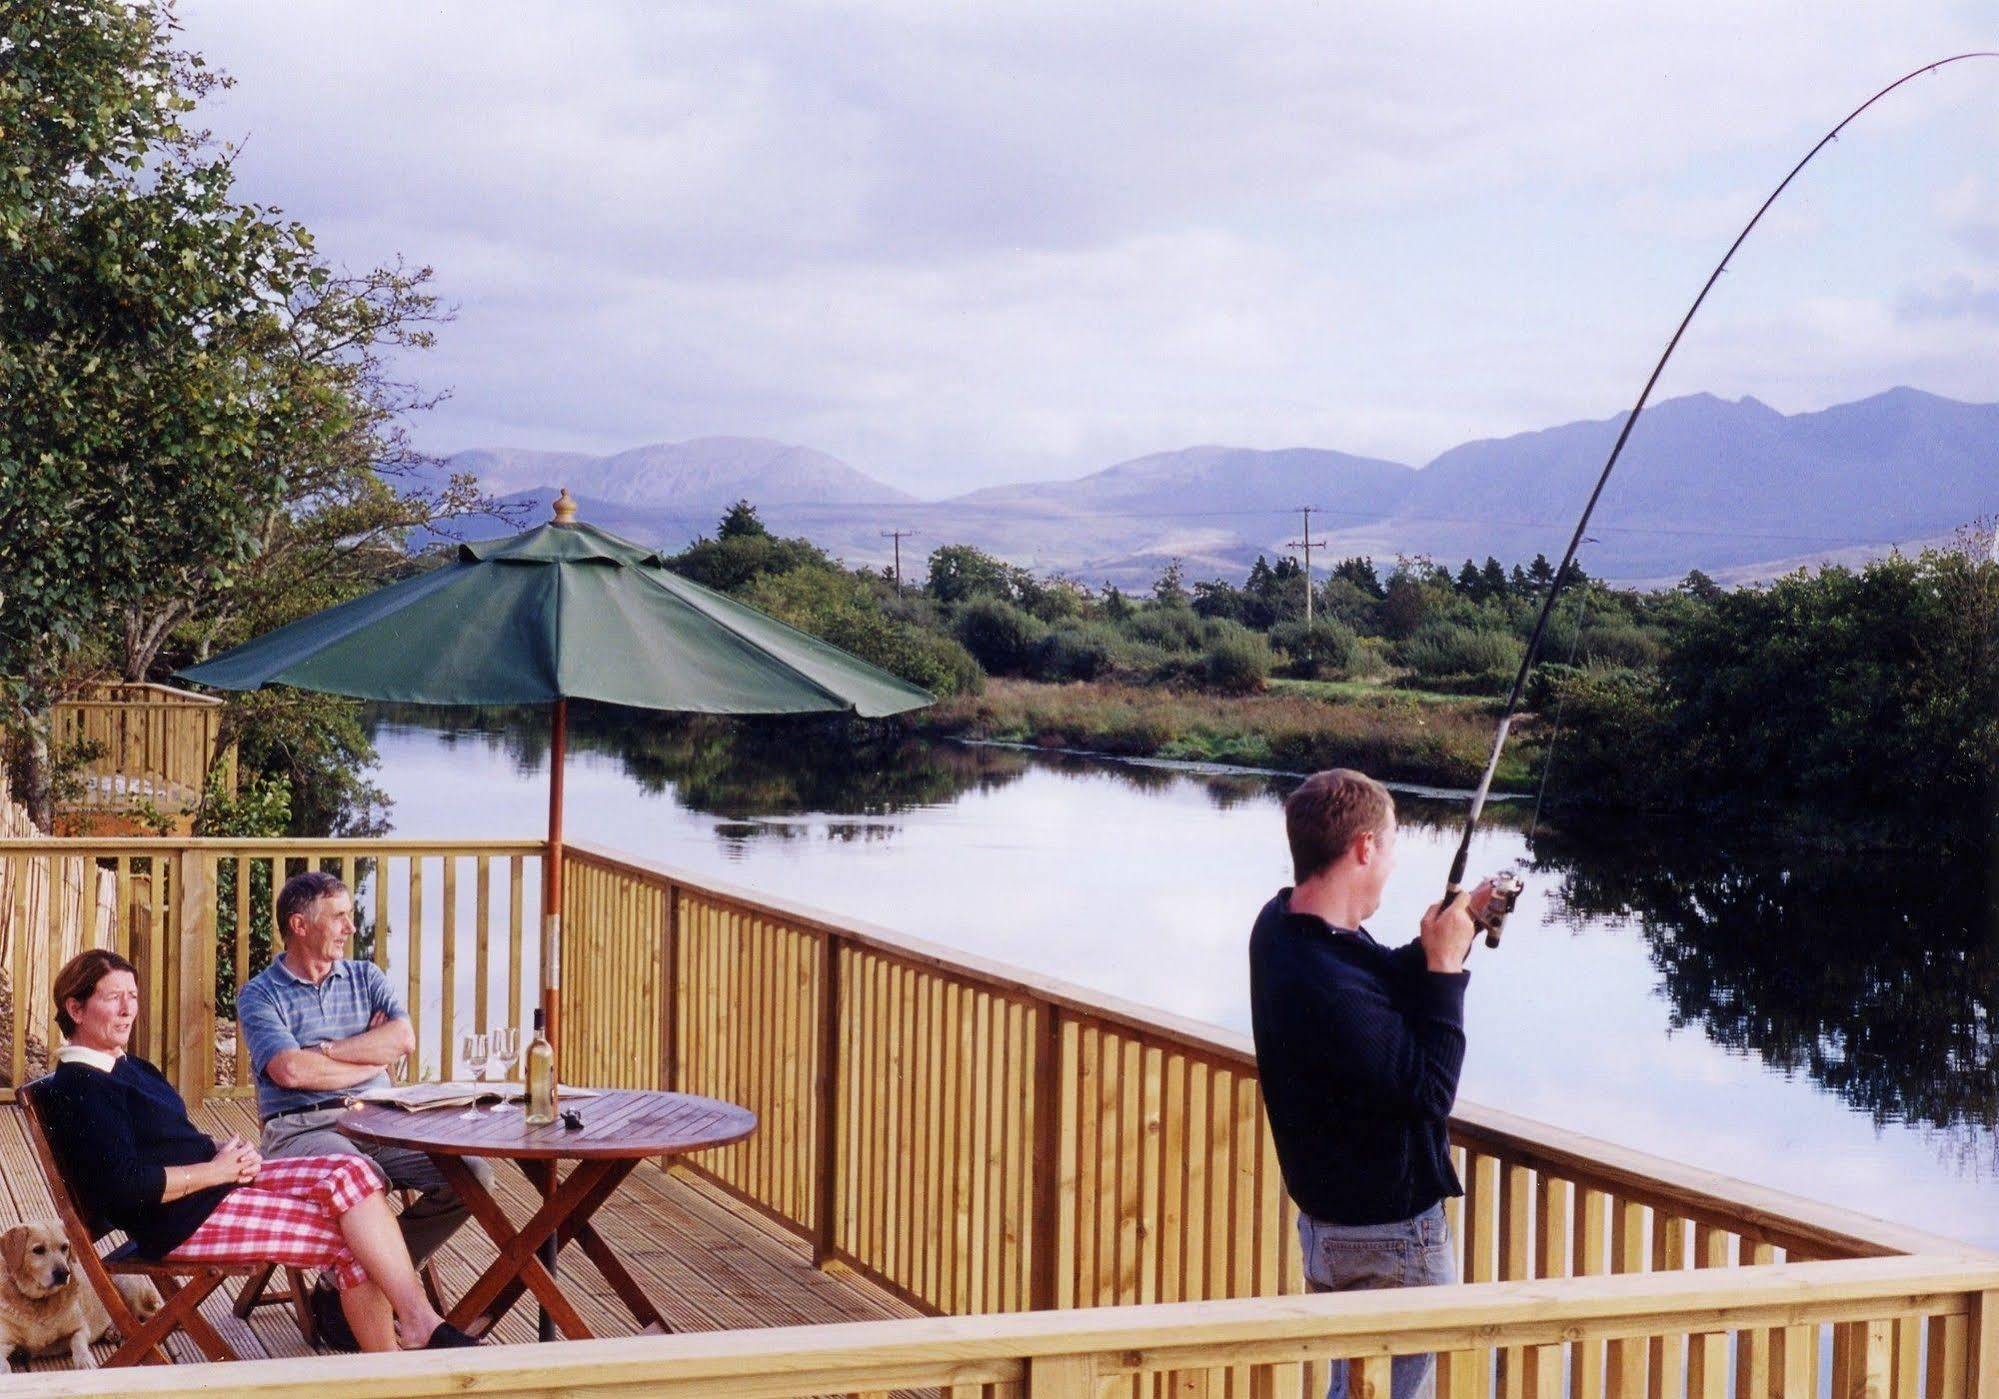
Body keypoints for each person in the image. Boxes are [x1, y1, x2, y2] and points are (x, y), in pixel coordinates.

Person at [35, 948, 477, 1351]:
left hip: (212, 1183)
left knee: (350, 1172)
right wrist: (219, 1171)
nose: (129, 1009)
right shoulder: (84, 1087)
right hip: (180, 1218)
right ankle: (391, 1371)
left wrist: (219, 1149)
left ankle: (419, 1321)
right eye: (114, 998)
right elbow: (127, 1187)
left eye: (132, 995)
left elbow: (163, 1139)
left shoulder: (125, 1065)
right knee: (352, 1243)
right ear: (75, 1008)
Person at [1248, 769, 1490, 1399]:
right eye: (1390, 846)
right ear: (1363, 848)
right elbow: (1430, 1090)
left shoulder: (1283, 927)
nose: (1390, 864)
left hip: (1333, 1228)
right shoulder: (1328, 984)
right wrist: (1443, 969)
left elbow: (1375, 985)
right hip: (1391, 1240)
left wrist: (1444, 941)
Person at [236, 870, 493, 1346]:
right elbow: (290, 1073)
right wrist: (366, 1055)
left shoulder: (365, 975)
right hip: (301, 1129)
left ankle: (348, 1281)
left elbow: (403, 1040)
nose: (350, 928)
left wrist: (327, 1050)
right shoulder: (260, 994)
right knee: (360, 1175)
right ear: (299, 924)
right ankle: (417, 1317)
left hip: (380, 1117)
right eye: (338, 917)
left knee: (472, 1175)